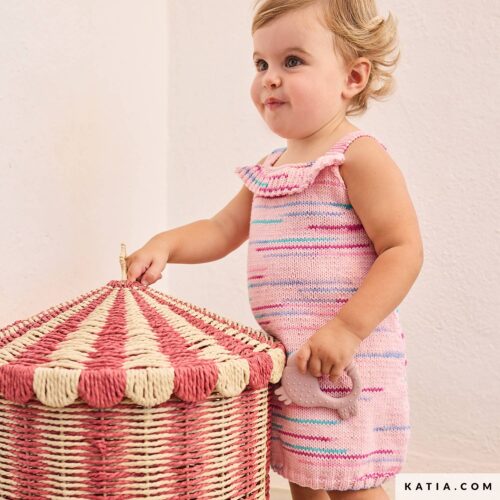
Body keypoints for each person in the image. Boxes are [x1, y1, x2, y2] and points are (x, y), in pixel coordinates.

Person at [126, 0, 424, 498]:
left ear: (352, 77)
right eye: (261, 63)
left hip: (350, 360)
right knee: (303, 476)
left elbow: (403, 249)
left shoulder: (357, 158)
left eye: (292, 61)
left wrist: (348, 329)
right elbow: (222, 228)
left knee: (354, 481)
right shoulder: (270, 168)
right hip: (292, 363)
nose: (270, 78)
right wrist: (167, 244)